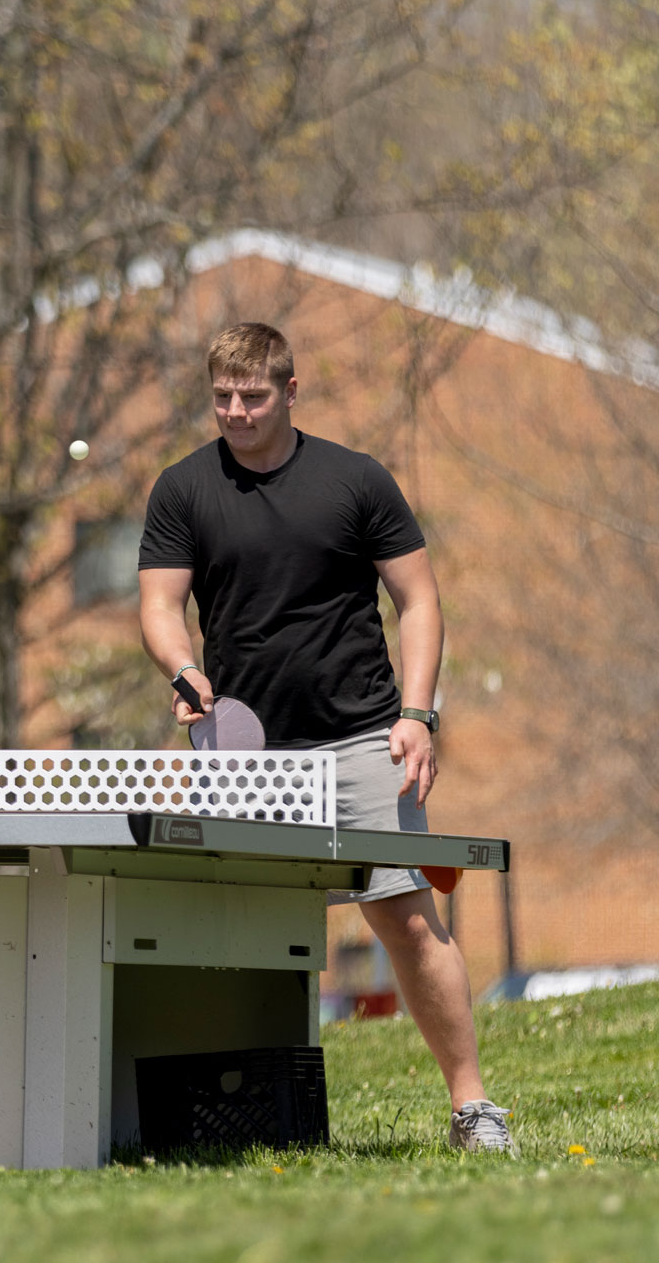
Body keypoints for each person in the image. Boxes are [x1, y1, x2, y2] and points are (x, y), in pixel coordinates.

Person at [136, 321, 513, 1154]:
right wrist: (183, 669)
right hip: (249, 760)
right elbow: (162, 606)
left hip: (360, 737)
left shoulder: (356, 480)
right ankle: (239, 1116)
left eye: (254, 396)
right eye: (223, 397)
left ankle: (473, 1110)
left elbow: (419, 601)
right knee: (237, 932)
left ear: (291, 392)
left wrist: (417, 716)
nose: (236, 411)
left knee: (408, 920)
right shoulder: (183, 489)